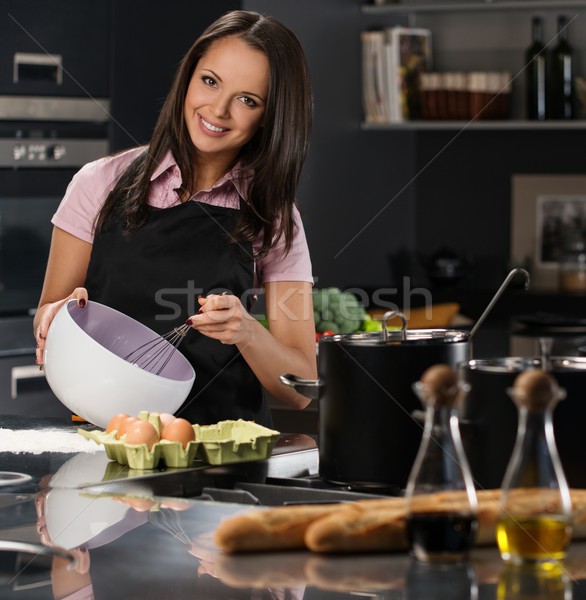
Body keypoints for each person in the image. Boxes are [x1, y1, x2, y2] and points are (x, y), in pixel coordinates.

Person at [34, 10, 317, 427]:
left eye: (247, 100)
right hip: (109, 445)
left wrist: (246, 331)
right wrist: (53, 319)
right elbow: (48, 317)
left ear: (270, 117)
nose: (218, 110)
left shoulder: (273, 217)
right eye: (210, 81)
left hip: (222, 459)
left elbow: (300, 390)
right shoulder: (98, 183)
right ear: (188, 77)